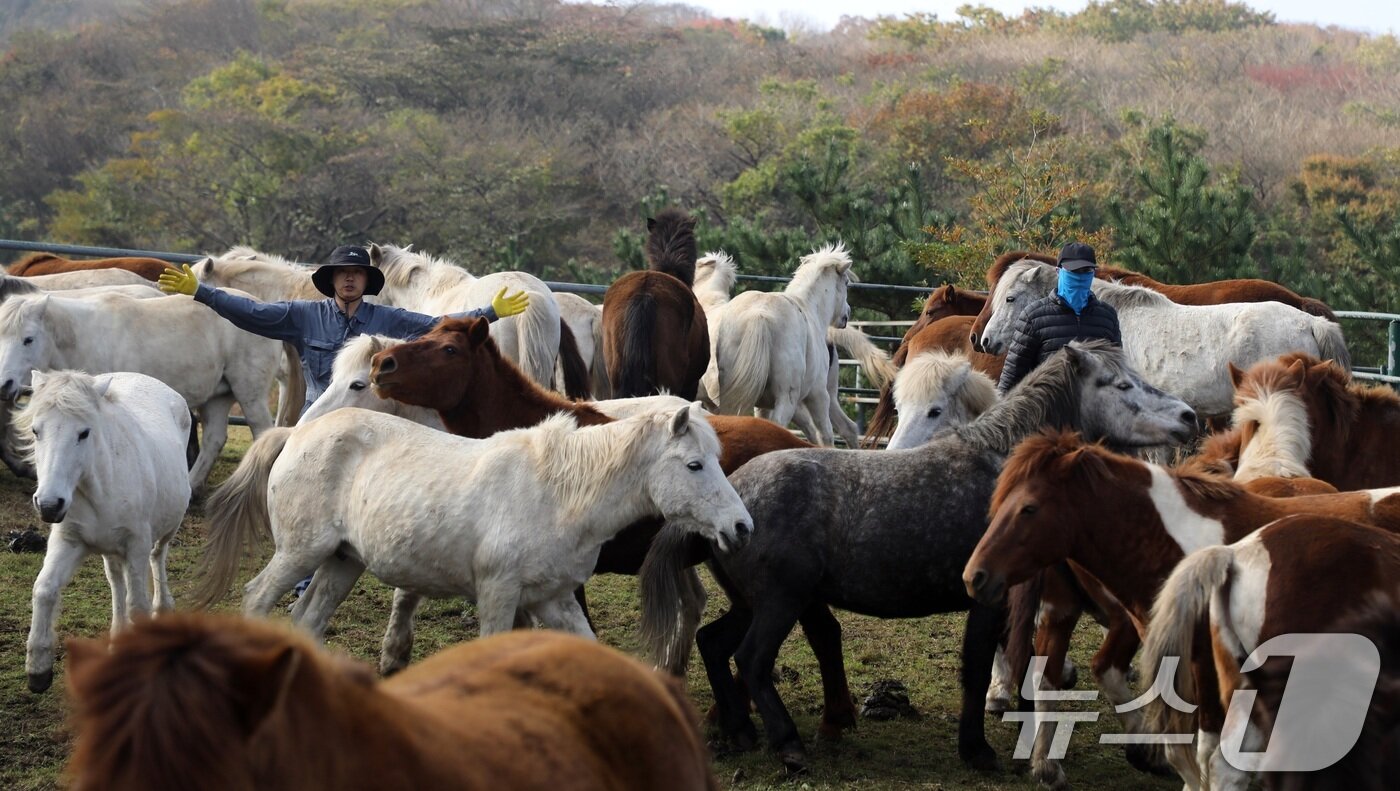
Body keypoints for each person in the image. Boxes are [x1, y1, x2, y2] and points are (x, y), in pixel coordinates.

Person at [158, 245, 530, 413]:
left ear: (366, 282)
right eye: (342, 274)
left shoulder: (388, 319)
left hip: (367, 417)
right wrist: (202, 292)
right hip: (318, 414)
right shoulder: (303, 315)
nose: (349, 279)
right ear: (332, 280)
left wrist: (489, 313)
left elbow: (437, 325)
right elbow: (252, 312)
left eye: (356, 274)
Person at [996, 241, 1121, 393]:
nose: (1079, 276)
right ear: (1058, 271)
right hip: (1049, 406)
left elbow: (1118, 371)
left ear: (1093, 274)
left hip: (1095, 405)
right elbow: (1011, 379)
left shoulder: (1107, 317)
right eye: (1073, 271)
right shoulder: (1033, 317)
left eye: (1086, 271)